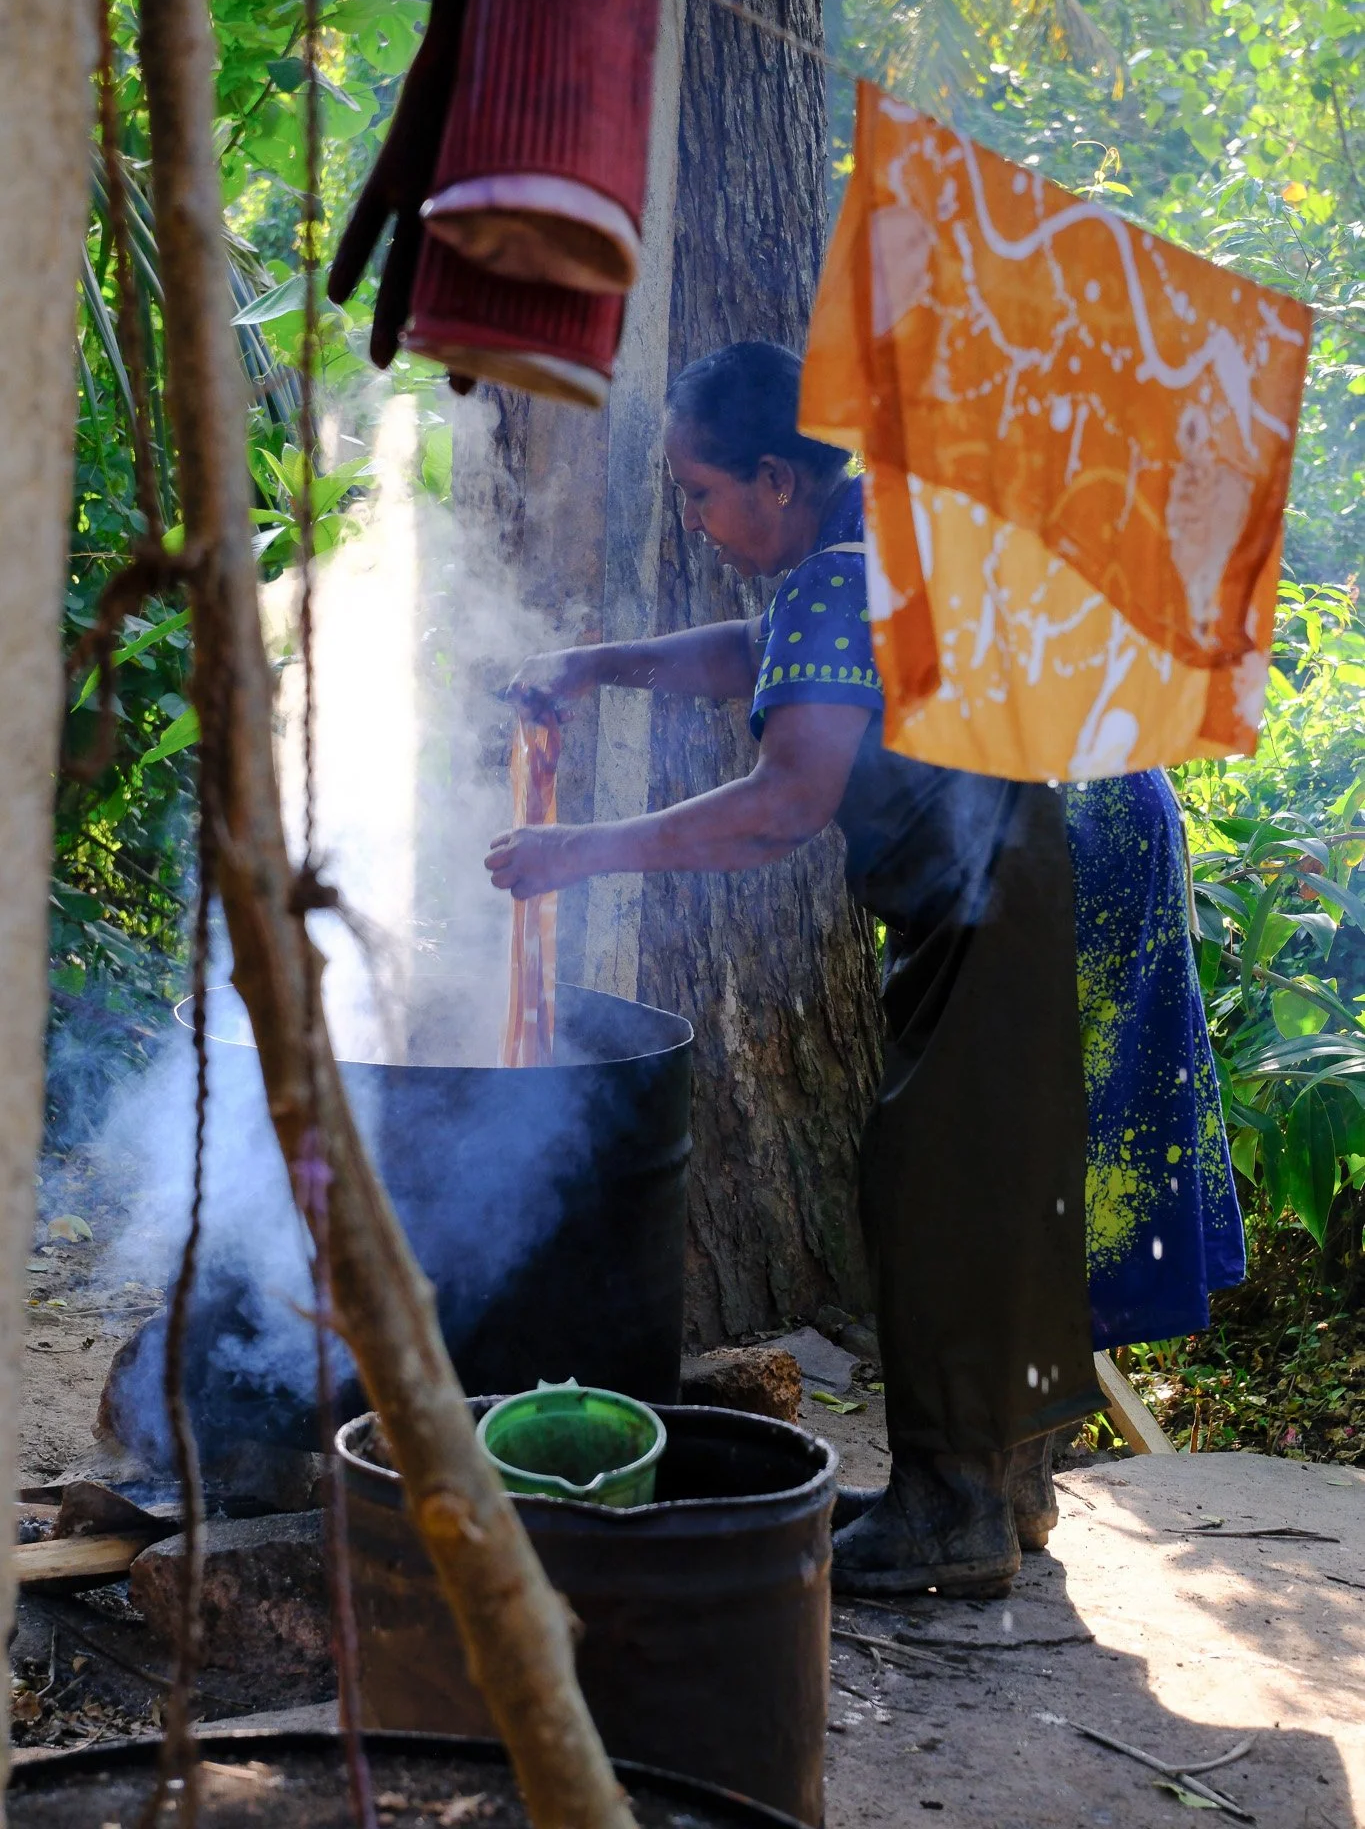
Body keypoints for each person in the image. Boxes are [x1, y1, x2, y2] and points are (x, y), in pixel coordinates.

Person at [487, 340, 1242, 1597]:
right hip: (1081, 832)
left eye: (703, 493)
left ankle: (956, 1512)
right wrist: (598, 664)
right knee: (1017, 1167)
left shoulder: (844, 568)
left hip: (1038, 863)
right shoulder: (856, 528)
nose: (696, 520)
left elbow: (784, 803)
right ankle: (1002, 1485)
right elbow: (760, 647)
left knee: (947, 1177)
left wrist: (582, 851)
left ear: (776, 479)